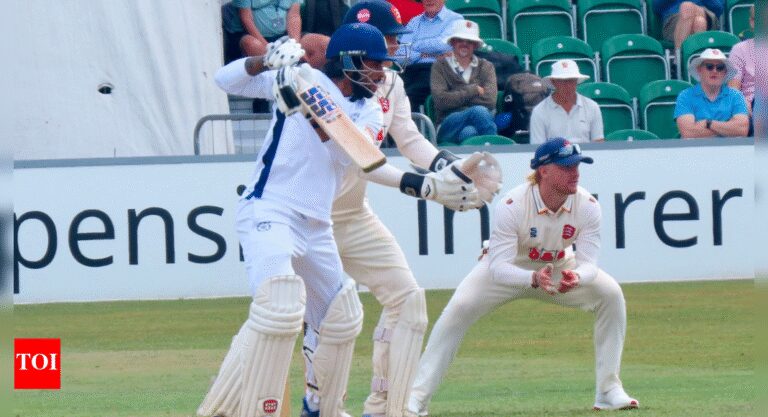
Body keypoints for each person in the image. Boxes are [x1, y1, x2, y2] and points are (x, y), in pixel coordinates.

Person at [197, 24, 479, 417]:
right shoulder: (301, 76)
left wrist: (310, 108)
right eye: (375, 65)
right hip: (270, 210)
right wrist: (265, 62)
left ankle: (322, 410)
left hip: (317, 225)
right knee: (279, 307)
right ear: (348, 62)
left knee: (343, 317)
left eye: (383, 66)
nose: (381, 74)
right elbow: (224, 80)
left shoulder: (366, 108)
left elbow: (358, 155)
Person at [302, 3, 503, 417]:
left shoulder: (389, 82)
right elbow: (361, 158)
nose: (396, 44)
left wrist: (450, 167)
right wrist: (426, 186)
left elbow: (409, 140)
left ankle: (383, 404)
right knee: (333, 315)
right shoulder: (322, 90)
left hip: (354, 215)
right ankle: (319, 404)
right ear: (359, 47)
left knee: (407, 300)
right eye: (388, 36)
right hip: (312, 220)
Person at [407, 138, 639, 416]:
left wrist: (576, 277)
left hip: (558, 266)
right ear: (544, 171)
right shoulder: (513, 204)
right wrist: (530, 279)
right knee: (458, 309)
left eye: (577, 166)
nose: (575, 173)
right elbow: (497, 267)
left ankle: (608, 390)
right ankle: (416, 399)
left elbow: (589, 264)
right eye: (566, 167)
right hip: (509, 268)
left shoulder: (587, 205)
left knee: (610, 295)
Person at [431, 20, 498, 145]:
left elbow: (490, 100)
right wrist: (474, 90)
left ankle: (469, 163)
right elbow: (442, 101)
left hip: (477, 125)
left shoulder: (486, 66)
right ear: (452, 42)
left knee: (469, 132)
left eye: (469, 41)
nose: (464, 44)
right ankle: (496, 150)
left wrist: (455, 96)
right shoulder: (439, 66)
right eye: (460, 40)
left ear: (475, 45)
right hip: (449, 123)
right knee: (479, 111)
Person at [395, 0, 462, 110]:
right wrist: (424, 55)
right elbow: (400, 56)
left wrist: (413, 45)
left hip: (440, 70)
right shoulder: (414, 22)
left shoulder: (455, 19)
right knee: (393, 93)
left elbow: (442, 44)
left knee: (408, 97)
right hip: (411, 71)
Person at [675, 48, 749, 139]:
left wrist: (708, 123)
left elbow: (742, 130)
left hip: (729, 150)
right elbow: (688, 132)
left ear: (725, 72)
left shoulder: (736, 96)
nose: (715, 71)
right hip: (696, 151)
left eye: (720, 68)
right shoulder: (685, 96)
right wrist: (728, 127)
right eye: (709, 66)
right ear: (699, 70)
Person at [529, 60, 603, 144]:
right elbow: (538, 148)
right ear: (554, 82)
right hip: (554, 157)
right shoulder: (539, 111)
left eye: (571, 80)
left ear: (576, 81)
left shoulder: (592, 107)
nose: (568, 86)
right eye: (563, 81)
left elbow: (598, 143)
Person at [221, 0, 303, 63]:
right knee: (252, 44)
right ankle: (282, 73)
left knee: (313, 42)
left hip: (282, 36)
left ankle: (290, 70)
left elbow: (294, 16)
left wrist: (295, 46)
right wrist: (269, 48)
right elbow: (246, 19)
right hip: (248, 34)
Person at [652, 0, 725, 50]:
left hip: (706, 16)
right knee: (699, 22)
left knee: (687, 6)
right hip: (674, 21)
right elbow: (656, 7)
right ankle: (695, 62)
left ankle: (678, 61)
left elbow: (719, 8)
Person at [728, 5, 755, 117]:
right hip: (754, 107)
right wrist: (742, 104)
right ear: (752, 23)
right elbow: (733, 90)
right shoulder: (739, 50)